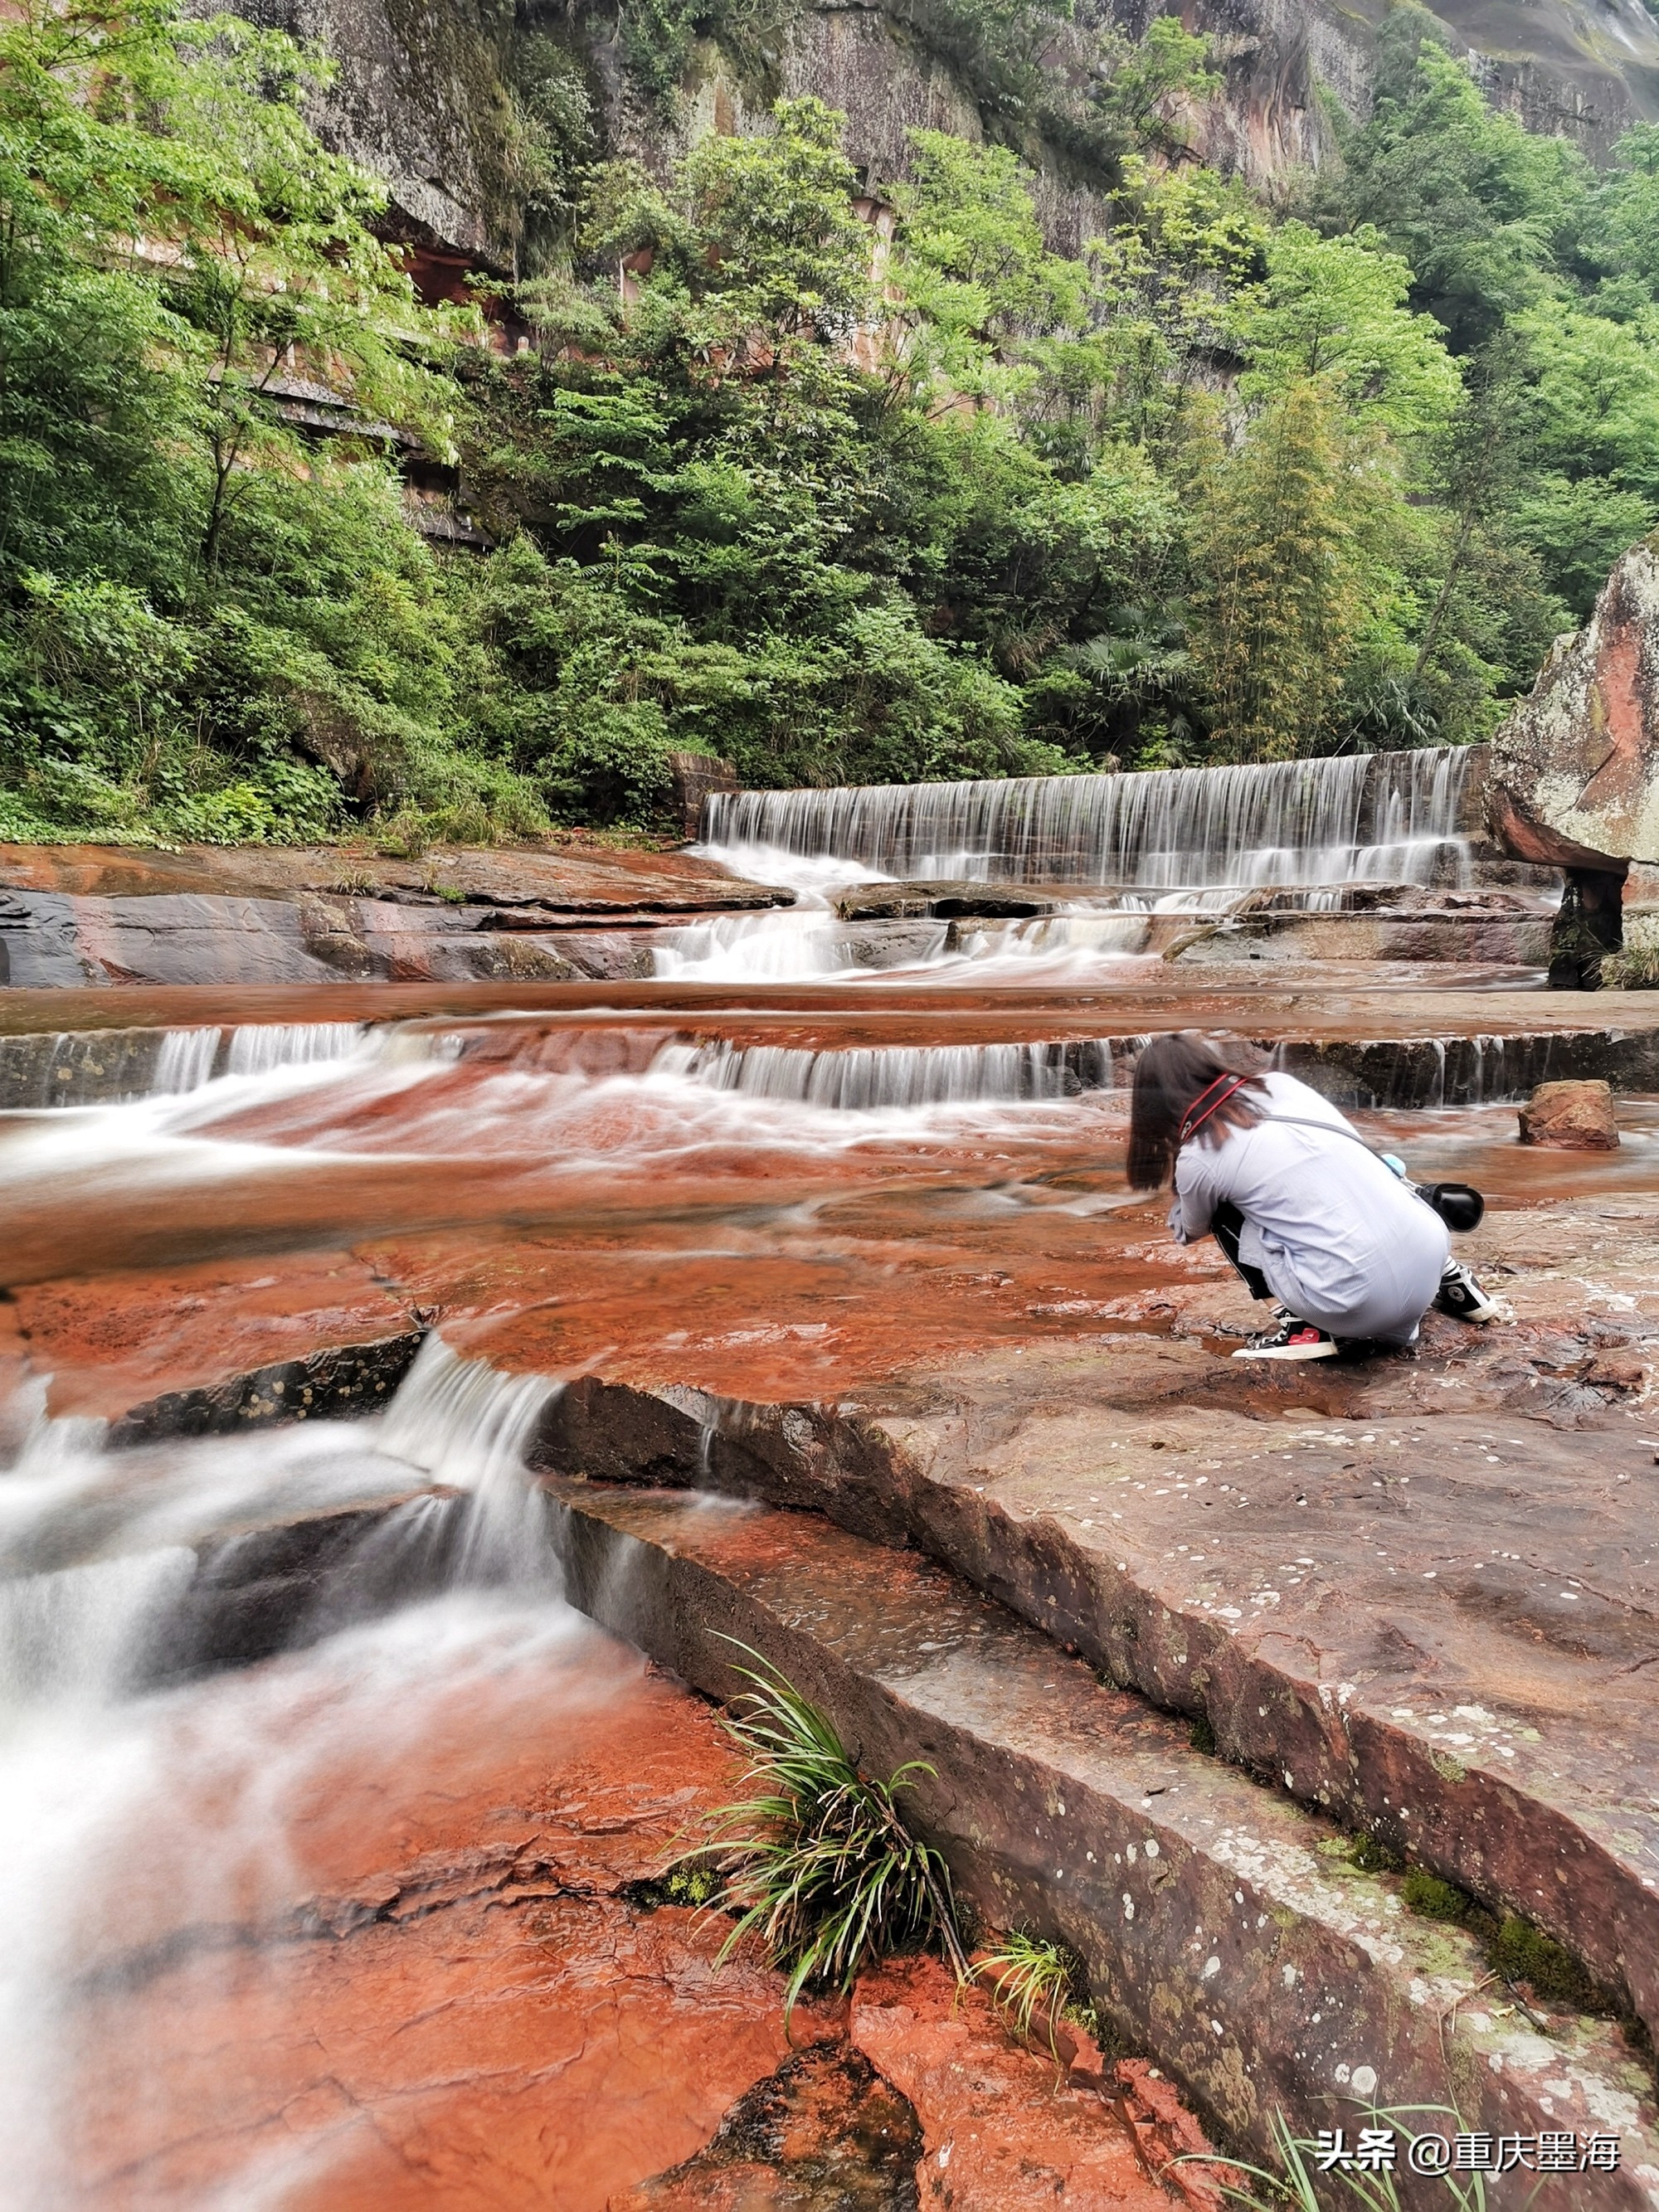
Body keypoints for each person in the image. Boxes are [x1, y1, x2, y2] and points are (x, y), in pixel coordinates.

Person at [1127, 1032, 1502, 1361]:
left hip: (1354, 1305)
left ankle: (1302, 1330)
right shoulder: (1281, 1085)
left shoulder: (1201, 1156)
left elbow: (1190, 1231)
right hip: (1429, 1252)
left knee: (1224, 1210)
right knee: (1352, 1172)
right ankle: (1454, 1280)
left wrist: (1184, 1197)